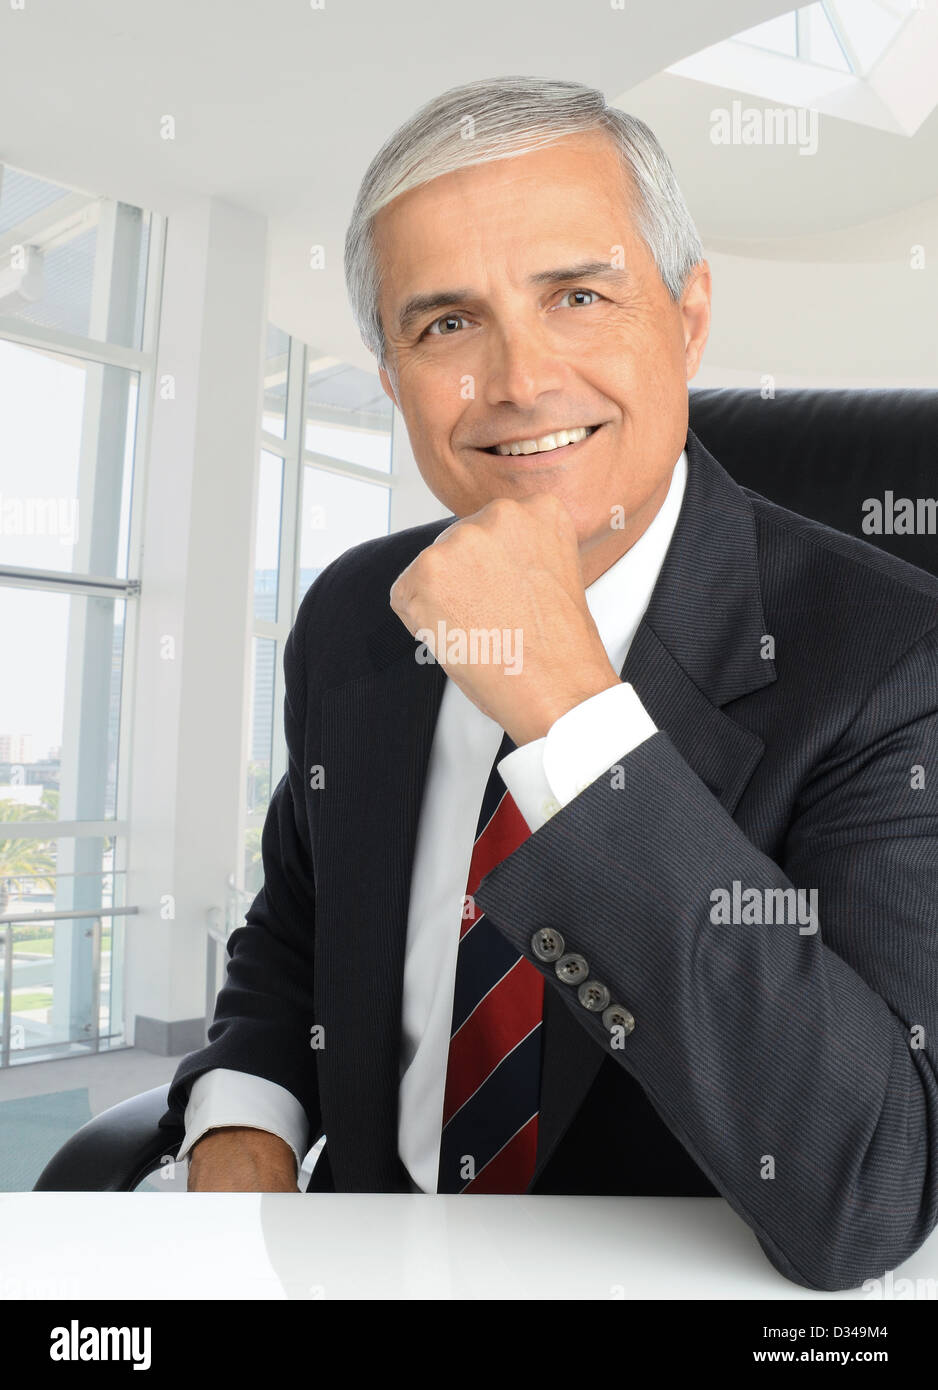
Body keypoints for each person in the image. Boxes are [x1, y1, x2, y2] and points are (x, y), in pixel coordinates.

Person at [160, 75, 938, 1292]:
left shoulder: (890, 659)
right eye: (446, 325)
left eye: (577, 295)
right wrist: (244, 1122)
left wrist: (573, 722)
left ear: (686, 322)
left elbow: (864, 1187)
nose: (518, 380)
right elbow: (301, 928)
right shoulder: (356, 616)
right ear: (391, 374)